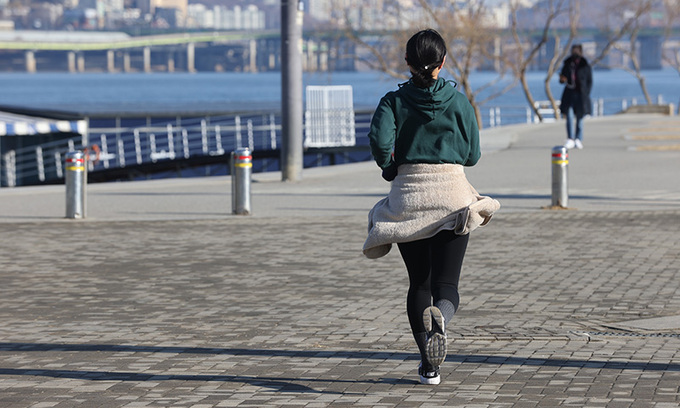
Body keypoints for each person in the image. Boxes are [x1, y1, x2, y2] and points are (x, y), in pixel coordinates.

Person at [362, 29, 500, 385]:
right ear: (442, 62)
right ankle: (443, 318)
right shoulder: (458, 101)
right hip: (453, 196)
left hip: (410, 195)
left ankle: (428, 365)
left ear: (407, 63)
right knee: (446, 284)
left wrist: (391, 168)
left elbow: (379, 143)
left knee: (418, 284)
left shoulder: (393, 102)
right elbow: (473, 155)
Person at [559, 44, 593, 149]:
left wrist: (586, 93)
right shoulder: (567, 64)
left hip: (581, 95)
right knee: (568, 116)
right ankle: (570, 138)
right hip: (569, 94)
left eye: (577, 51)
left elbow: (589, 81)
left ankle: (578, 138)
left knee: (580, 117)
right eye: (574, 51)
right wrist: (562, 79)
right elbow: (562, 78)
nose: (575, 53)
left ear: (581, 52)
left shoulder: (585, 65)